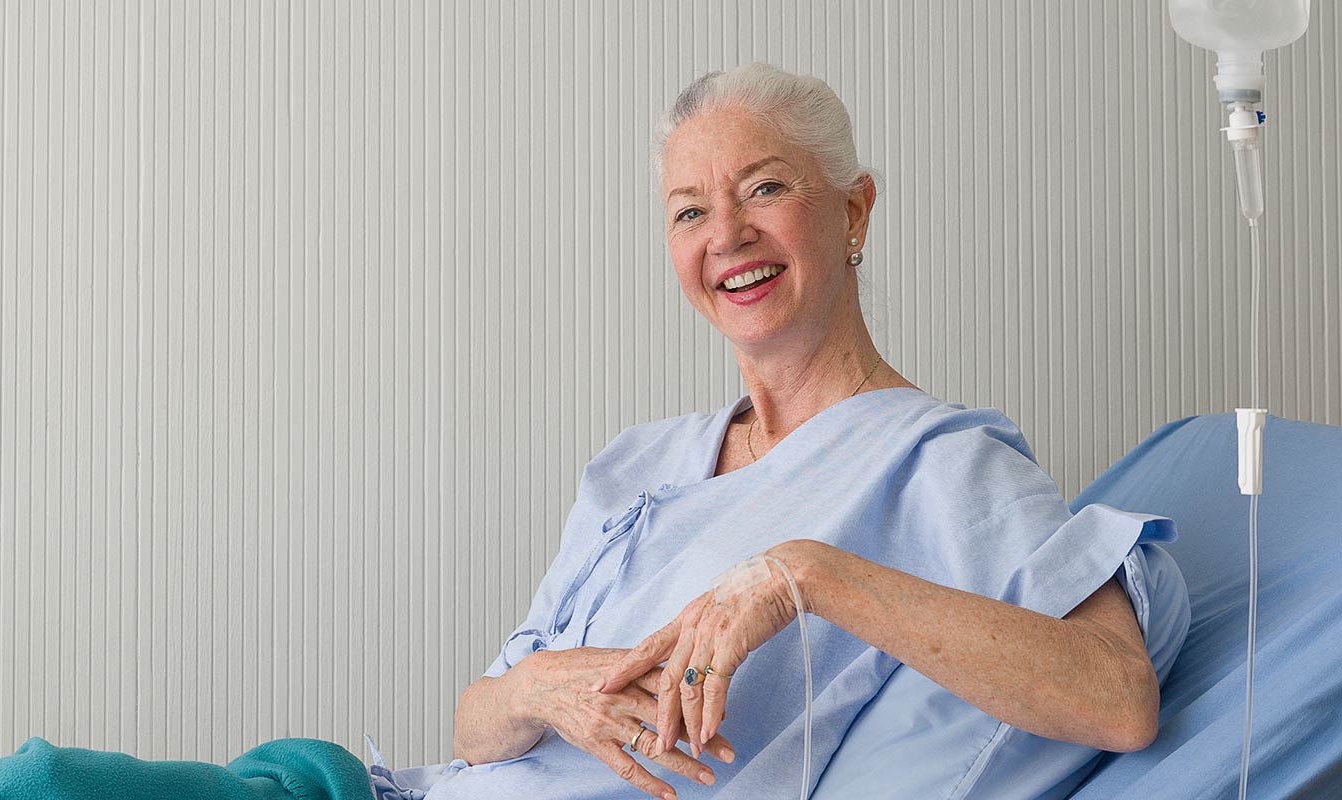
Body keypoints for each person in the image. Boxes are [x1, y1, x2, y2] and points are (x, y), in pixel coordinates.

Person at [402, 63, 1190, 800]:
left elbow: (1117, 697)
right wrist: (537, 686)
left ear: (853, 212)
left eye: (764, 188)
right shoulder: (636, 462)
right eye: (689, 211)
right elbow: (475, 727)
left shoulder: (943, 463)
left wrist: (806, 576)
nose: (727, 236)